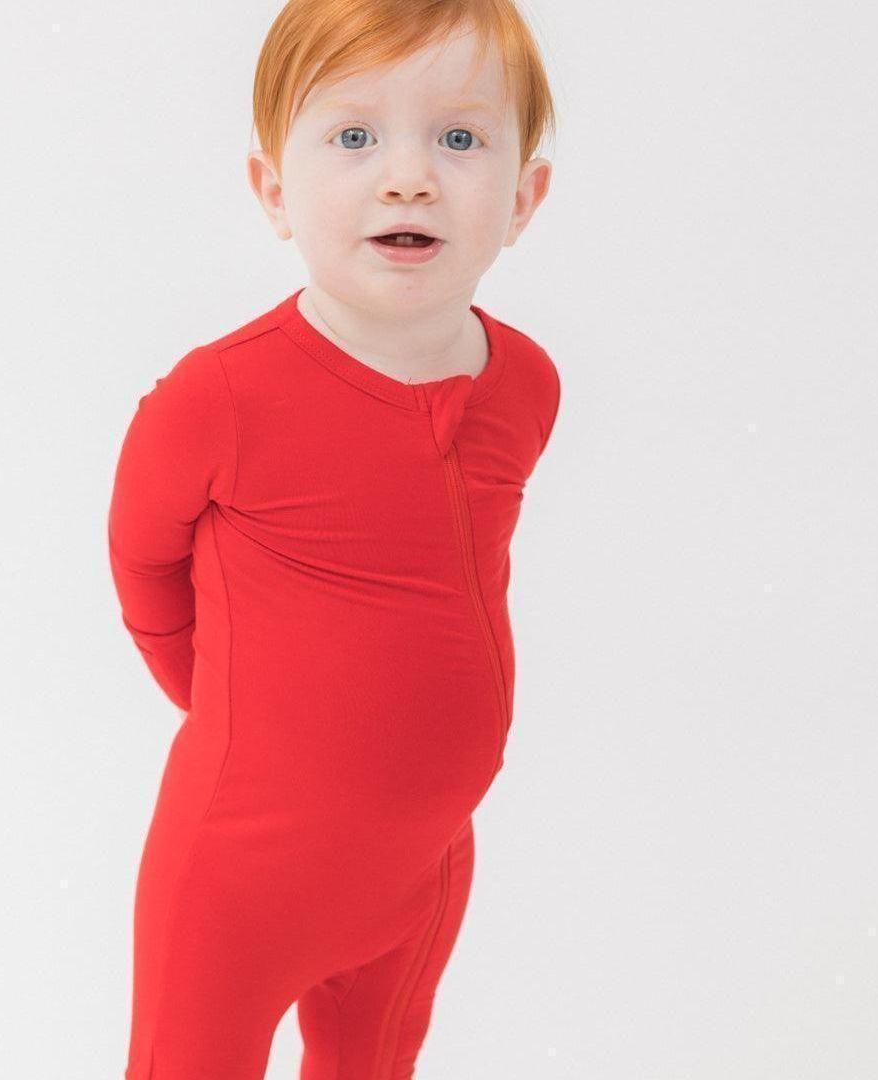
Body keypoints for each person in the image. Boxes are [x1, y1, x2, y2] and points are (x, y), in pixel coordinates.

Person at [107, 2, 562, 1076]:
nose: (408, 178)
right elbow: (143, 566)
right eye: (354, 136)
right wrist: (229, 708)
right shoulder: (219, 398)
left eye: (460, 137)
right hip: (239, 878)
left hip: (426, 863)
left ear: (523, 197)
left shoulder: (528, 384)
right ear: (274, 190)